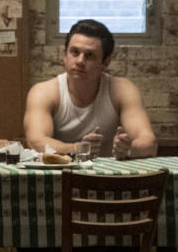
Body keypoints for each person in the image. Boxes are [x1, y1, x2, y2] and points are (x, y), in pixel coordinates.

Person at [24, 18, 157, 159]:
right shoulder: (44, 92)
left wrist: (129, 149)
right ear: (65, 56)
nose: (80, 61)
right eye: (74, 52)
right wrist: (78, 148)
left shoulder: (123, 90)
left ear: (105, 62)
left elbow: (149, 142)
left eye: (90, 55)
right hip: (62, 175)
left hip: (107, 177)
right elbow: (36, 141)